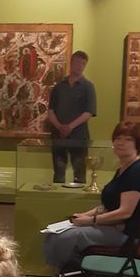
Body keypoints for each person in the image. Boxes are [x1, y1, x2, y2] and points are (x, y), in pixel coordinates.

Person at [42, 121, 140, 271]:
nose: (121, 143)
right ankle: (66, 274)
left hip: (123, 233)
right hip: (112, 226)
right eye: (118, 138)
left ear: (137, 144)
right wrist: (84, 215)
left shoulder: (137, 172)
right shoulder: (124, 168)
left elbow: (124, 212)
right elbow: (107, 206)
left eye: (128, 139)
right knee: (55, 233)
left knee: (64, 237)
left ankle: (65, 275)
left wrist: (90, 220)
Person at [47, 50, 97, 184]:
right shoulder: (58, 87)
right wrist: (60, 127)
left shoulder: (88, 87)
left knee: (79, 172)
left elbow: (89, 112)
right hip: (58, 135)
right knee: (59, 170)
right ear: (71, 63)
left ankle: (78, 196)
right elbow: (51, 111)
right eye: (77, 62)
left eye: (83, 64)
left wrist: (70, 127)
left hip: (79, 136)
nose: (79, 66)